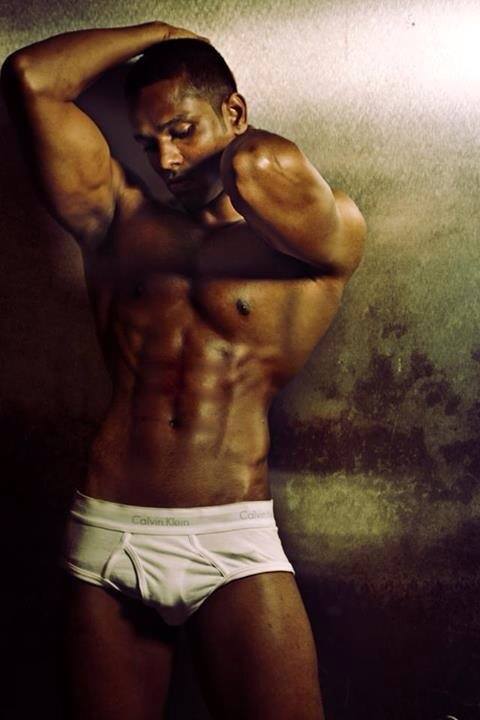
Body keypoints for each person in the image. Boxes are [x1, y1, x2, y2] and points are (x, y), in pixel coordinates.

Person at [1, 20, 366, 720]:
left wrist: (232, 154)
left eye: (182, 130)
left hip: (233, 538)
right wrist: (161, 30)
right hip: (110, 531)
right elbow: (30, 78)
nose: (166, 159)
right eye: (149, 142)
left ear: (235, 112)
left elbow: (260, 170)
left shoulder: (320, 240)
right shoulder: (117, 220)